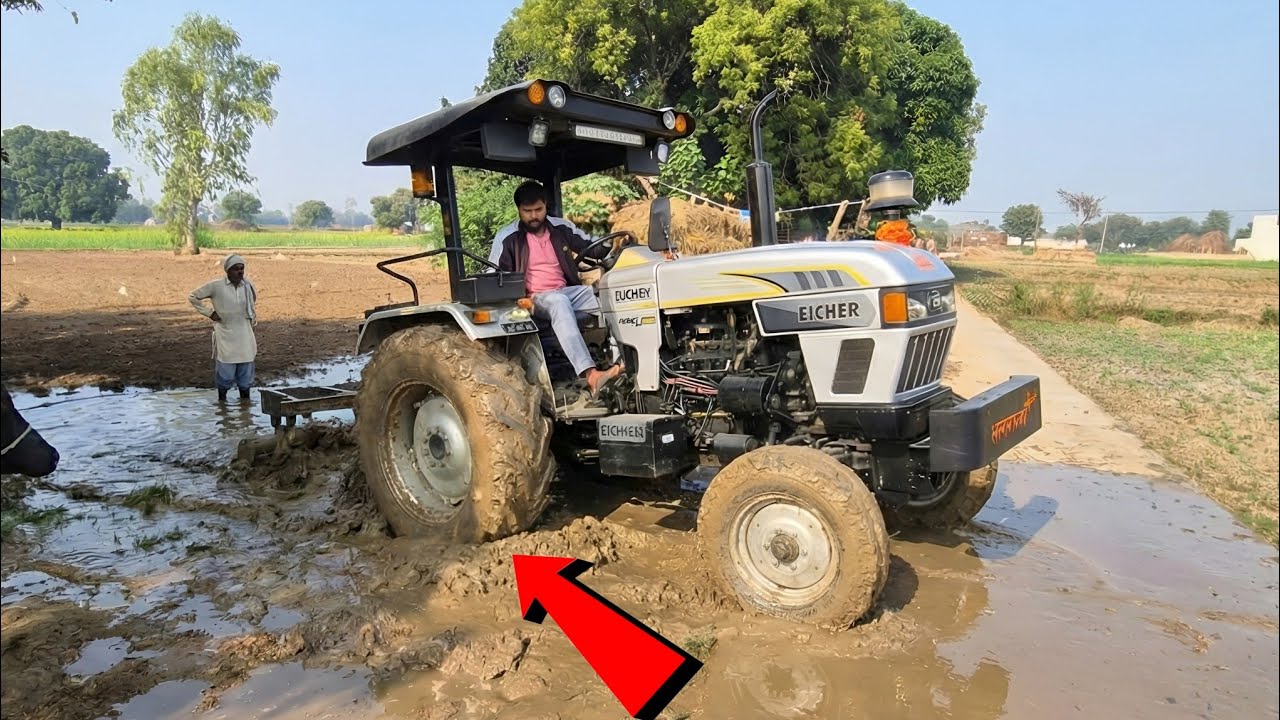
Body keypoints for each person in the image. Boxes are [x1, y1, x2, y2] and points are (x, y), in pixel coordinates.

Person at [494, 181, 623, 396]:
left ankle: (624, 361)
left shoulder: (561, 228)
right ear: (519, 210)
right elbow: (495, 274)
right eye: (527, 211)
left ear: (546, 206)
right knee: (558, 302)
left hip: (567, 292)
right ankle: (591, 375)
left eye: (538, 210)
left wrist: (614, 242)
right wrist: (517, 299)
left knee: (612, 294)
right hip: (534, 299)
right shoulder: (507, 238)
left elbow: (592, 246)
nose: (533, 216)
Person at [189, 254, 259, 403]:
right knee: (225, 374)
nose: (240, 272)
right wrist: (209, 313)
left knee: (245, 375)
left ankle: (245, 407)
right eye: (235, 269)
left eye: (242, 269)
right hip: (226, 334)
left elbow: (252, 306)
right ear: (227, 270)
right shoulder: (216, 286)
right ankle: (222, 403)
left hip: (245, 334)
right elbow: (193, 296)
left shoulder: (248, 286)